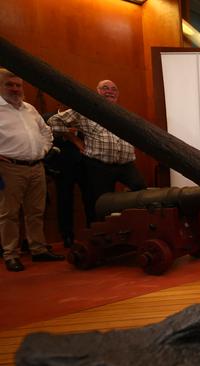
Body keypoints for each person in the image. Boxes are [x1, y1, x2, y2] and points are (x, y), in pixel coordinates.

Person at [48, 80, 146, 226]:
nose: (110, 91)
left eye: (114, 89)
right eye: (105, 88)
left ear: (118, 94)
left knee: (140, 188)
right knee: (102, 204)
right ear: (97, 92)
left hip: (126, 164)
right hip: (99, 166)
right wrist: (74, 140)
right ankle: (103, 236)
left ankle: (132, 225)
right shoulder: (85, 110)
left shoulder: (123, 114)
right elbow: (54, 121)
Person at [0, 68, 65, 272]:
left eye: (18, 85)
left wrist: (43, 150)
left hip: (37, 167)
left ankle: (38, 250)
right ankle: (11, 254)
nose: (15, 89)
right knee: (8, 214)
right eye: (9, 85)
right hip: (9, 168)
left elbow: (46, 132)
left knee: (36, 212)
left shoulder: (29, 108)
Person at [44, 106, 87, 248]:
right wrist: (67, 133)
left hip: (84, 165)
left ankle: (91, 232)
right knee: (64, 202)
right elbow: (45, 137)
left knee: (89, 200)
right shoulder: (48, 118)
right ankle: (67, 236)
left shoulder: (83, 117)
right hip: (62, 167)